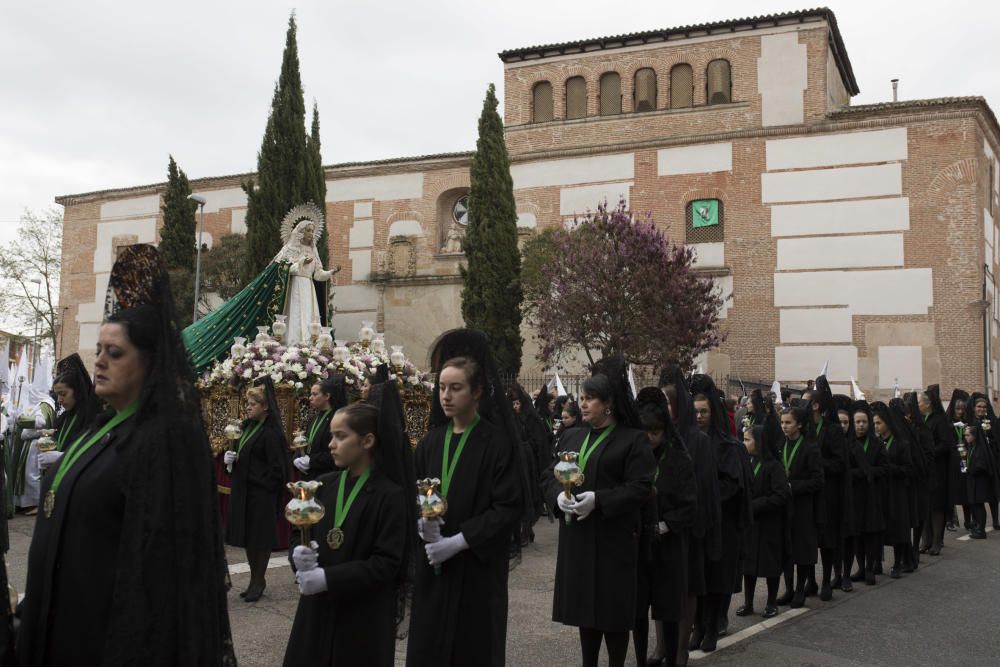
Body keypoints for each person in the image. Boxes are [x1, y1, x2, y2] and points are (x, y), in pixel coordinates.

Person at [17, 244, 235, 665]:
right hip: (57, 629)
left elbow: (161, 577)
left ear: (150, 363)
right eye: (99, 350)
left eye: (114, 353)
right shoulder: (98, 427)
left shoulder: (162, 442)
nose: (99, 362)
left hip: (101, 641)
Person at [407, 329, 527, 667]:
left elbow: (508, 507)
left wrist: (460, 540)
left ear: (477, 392)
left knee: (472, 648)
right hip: (435, 565)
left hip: (477, 569)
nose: (446, 396)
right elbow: (415, 492)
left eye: (456, 388)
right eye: (442, 387)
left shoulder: (496, 442)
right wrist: (422, 524)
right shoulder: (432, 442)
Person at [283, 381, 414, 666]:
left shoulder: (389, 495)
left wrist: (328, 578)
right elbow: (299, 531)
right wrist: (298, 555)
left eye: (340, 436)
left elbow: (387, 562)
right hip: (317, 611)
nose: (331, 445)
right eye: (331, 436)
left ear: (367, 441)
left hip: (362, 617)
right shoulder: (324, 485)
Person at [545, 356, 655, 667]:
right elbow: (548, 474)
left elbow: (641, 487)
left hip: (613, 540)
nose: (583, 404)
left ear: (609, 404)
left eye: (589, 399)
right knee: (585, 612)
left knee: (612, 614)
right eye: (581, 398)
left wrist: (600, 499)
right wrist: (557, 498)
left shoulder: (632, 440)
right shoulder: (572, 436)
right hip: (579, 539)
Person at [183, 204, 335, 374]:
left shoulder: (313, 250)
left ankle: (308, 349)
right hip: (295, 290)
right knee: (295, 318)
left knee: (309, 318)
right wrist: (300, 263)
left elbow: (318, 274)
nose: (311, 234)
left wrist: (330, 273)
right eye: (308, 230)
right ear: (299, 232)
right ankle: (292, 347)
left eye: (312, 230)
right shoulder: (290, 249)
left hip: (309, 289)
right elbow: (283, 269)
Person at [659, 367, 720, 667]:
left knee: (687, 589)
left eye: (668, 404)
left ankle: (681, 647)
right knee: (660, 589)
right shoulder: (657, 437)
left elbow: (705, 487)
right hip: (662, 527)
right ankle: (661, 645)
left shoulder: (698, 441)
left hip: (689, 528)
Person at [687, 375, 752, 653]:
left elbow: (731, 484)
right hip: (697, 523)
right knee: (698, 577)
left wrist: (707, 499)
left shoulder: (727, 445)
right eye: (695, 412)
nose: (699, 417)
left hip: (722, 523)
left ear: (713, 413)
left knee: (718, 578)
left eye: (704, 412)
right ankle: (698, 625)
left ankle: (713, 626)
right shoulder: (687, 442)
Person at [634, 388, 697, 667]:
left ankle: (672, 657)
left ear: (665, 431)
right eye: (644, 432)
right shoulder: (636, 459)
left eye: (655, 432)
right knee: (638, 612)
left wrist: (665, 525)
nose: (649, 438)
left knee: (669, 611)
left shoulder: (678, 459)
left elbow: (689, 505)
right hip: (639, 546)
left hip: (669, 548)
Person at [225, 377, 291, 602]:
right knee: (249, 538)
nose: (248, 408)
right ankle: (254, 578)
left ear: (265, 407)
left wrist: (258, 481)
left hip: (261, 494)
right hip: (245, 492)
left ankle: (259, 580)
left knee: (260, 539)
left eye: (253, 404)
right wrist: (231, 460)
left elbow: (278, 469)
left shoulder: (271, 434)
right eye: (248, 404)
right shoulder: (246, 428)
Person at [738, 405, 789, 620]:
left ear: (759, 442)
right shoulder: (746, 462)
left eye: (748, 440)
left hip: (768, 523)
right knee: (748, 565)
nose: (744, 443)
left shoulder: (773, 466)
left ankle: (770, 602)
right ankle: (748, 602)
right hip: (750, 524)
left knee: (769, 564)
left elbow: (780, 495)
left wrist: (756, 505)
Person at [776, 406, 823, 607]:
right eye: (782, 422)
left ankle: (800, 589)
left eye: (788, 423)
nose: (784, 426)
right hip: (784, 505)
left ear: (800, 425)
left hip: (803, 506)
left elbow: (817, 480)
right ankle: (788, 588)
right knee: (786, 549)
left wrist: (791, 486)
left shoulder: (810, 448)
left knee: (802, 550)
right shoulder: (781, 445)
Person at [36, 354, 101, 476]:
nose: (59, 399)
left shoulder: (91, 415)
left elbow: (92, 450)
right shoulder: (65, 416)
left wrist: (61, 457)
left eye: (63, 394)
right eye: (57, 395)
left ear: (77, 391)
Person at [871, 401, 914, 578]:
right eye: (874, 423)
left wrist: (891, 468)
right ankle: (876, 563)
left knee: (897, 528)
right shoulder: (875, 443)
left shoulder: (901, 444)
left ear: (887, 423)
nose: (876, 426)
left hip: (896, 492)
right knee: (879, 528)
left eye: (879, 423)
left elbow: (908, 469)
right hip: (880, 491)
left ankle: (898, 563)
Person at [846, 401, 884, 586]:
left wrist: (868, 471)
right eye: (857, 422)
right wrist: (858, 472)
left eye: (864, 422)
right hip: (854, 494)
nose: (861, 425)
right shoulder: (849, 444)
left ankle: (870, 568)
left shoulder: (876, 444)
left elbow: (884, 469)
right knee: (857, 534)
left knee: (871, 533)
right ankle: (860, 567)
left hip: (872, 494)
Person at [293, 374, 348, 481]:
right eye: (310, 394)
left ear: (327, 396)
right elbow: (306, 443)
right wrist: (297, 457)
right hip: (308, 475)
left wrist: (311, 461)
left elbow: (337, 451)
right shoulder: (313, 418)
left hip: (326, 476)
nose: (310, 398)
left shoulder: (336, 419)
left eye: (314, 394)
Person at [919, 385, 953, 555]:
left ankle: (937, 542)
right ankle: (925, 541)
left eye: (920, 402)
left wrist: (929, 452)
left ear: (928, 404)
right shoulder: (922, 419)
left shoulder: (939, 420)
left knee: (936, 506)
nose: (918, 405)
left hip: (937, 470)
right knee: (925, 506)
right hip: (924, 470)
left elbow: (945, 444)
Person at [966, 393, 1000, 530]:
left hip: (991, 460)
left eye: (984, 407)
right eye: (979, 406)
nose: (981, 409)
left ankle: (996, 520)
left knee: (992, 493)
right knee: (977, 494)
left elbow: (995, 441)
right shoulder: (971, 422)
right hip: (977, 461)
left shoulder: (990, 421)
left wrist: (989, 434)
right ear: (974, 408)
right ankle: (977, 522)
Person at [945, 389, 970, 530]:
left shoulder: (966, 422)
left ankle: (968, 520)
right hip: (952, 460)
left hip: (964, 458)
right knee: (952, 490)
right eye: (958, 409)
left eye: (962, 409)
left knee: (966, 490)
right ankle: (950, 520)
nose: (960, 412)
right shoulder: (948, 422)